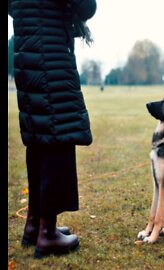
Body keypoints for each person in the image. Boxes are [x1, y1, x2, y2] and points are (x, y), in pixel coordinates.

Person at [8, 0, 97, 259]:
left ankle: (34, 224)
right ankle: (48, 234)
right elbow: (86, 7)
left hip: (27, 52)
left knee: (39, 139)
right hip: (51, 55)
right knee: (58, 137)